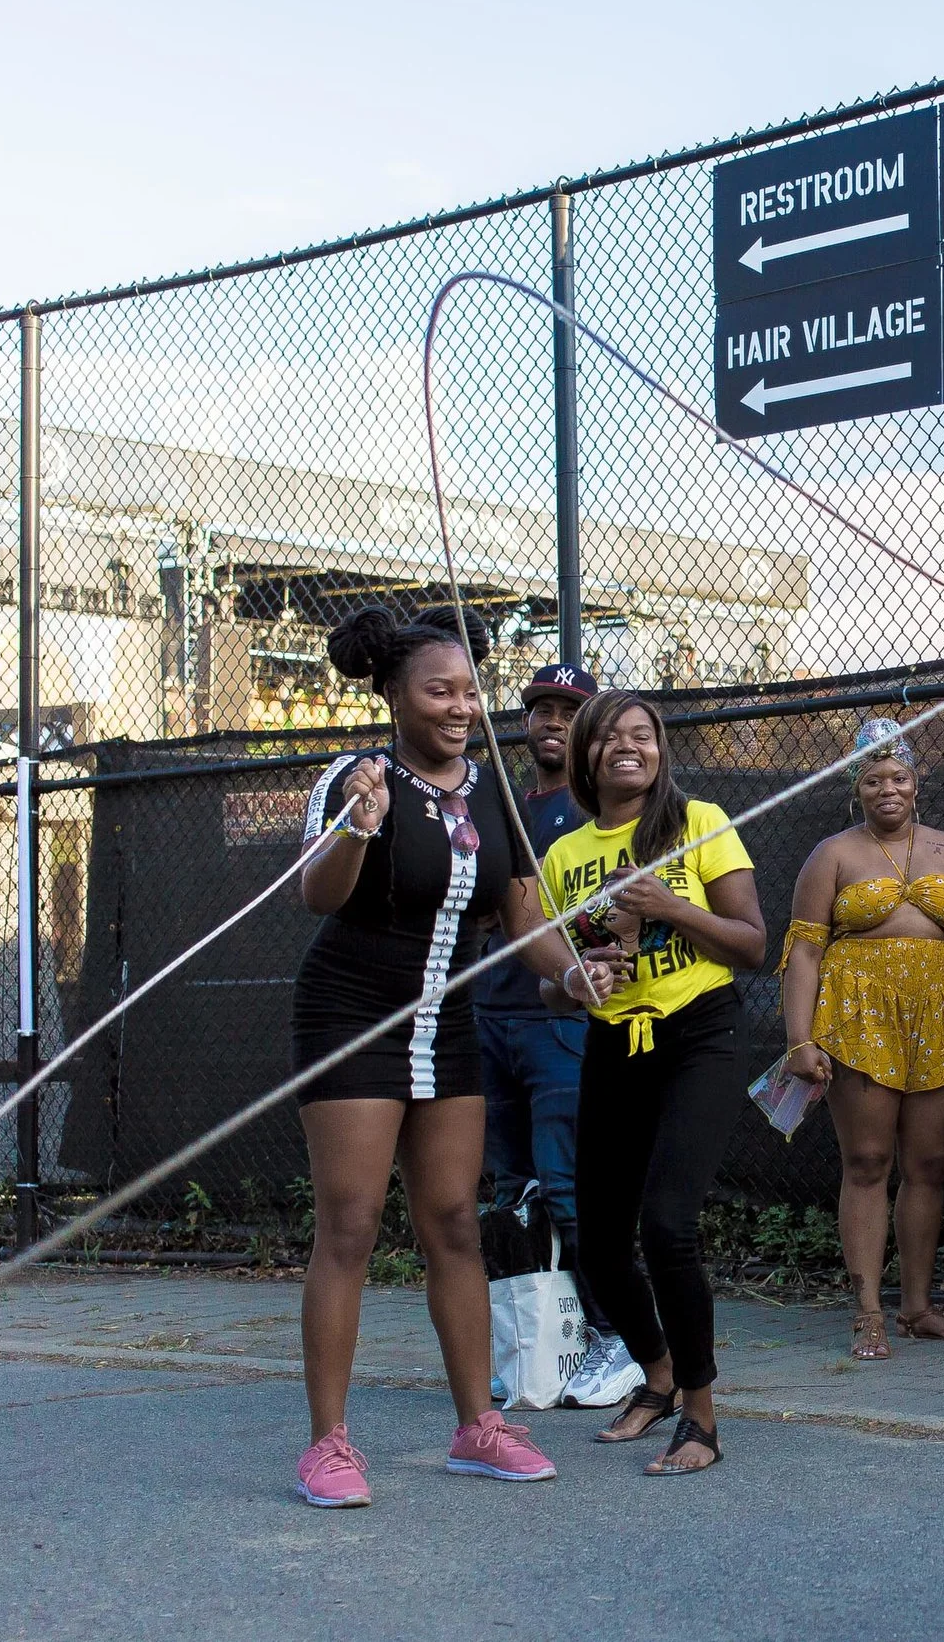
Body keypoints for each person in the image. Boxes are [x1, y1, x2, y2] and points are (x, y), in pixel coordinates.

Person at [290, 606, 615, 1510]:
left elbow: (524, 918)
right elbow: (319, 894)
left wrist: (574, 972)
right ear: (395, 697)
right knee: (350, 1225)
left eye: (470, 690)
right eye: (441, 691)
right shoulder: (356, 777)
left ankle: (479, 1426)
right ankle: (327, 1443)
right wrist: (359, 825)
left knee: (456, 1224)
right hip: (353, 1019)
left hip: (448, 1025)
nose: (461, 706)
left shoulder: (493, 788)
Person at [541, 690, 767, 1476]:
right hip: (614, 1042)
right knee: (599, 1244)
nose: (628, 746)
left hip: (698, 1033)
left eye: (643, 734)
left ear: (661, 749)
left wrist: (670, 904)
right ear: (587, 754)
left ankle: (701, 1415)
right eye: (610, 736)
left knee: (668, 1225)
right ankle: (658, 1374)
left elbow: (751, 942)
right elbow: (552, 983)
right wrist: (575, 980)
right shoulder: (564, 856)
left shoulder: (699, 820)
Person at [779, 719, 944, 1360]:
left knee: (928, 1164)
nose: (888, 790)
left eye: (898, 777)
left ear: (916, 783)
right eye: (873, 780)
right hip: (860, 1017)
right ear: (856, 787)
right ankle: (869, 1313)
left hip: (941, 1019)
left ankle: (918, 1308)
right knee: (868, 1162)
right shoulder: (832, 854)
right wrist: (800, 1040)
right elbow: (803, 952)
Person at [470, 661, 635, 1406]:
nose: (553, 723)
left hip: (560, 1022)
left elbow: (610, 918)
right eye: (542, 709)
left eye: (569, 712)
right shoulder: (503, 804)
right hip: (491, 1015)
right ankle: (534, 1348)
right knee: (515, 1193)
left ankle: (620, 1340)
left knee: (569, 1188)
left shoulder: (599, 815)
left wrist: (573, 955)